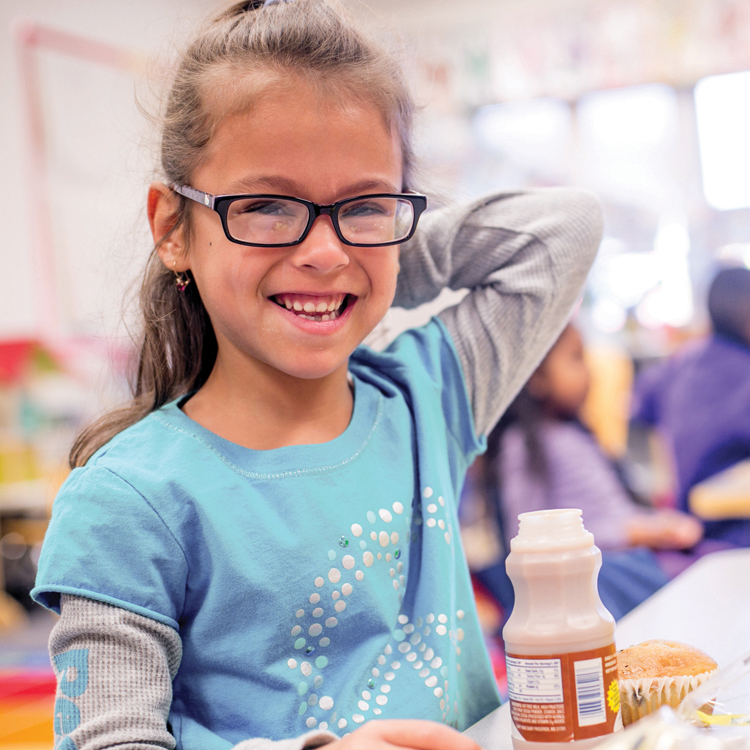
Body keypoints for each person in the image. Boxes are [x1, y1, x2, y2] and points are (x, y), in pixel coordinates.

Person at [29, 2, 603, 749]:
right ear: (173, 228)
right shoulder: (130, 500)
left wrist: (379, 258)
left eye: (364, 204)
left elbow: (564, 229)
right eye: (267, 205)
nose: (323, 251)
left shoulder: (426, 393)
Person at [466, 323, 703, 620]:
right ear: (536, 376)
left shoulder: (570, 435)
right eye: (576, 359)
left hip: (625, 558)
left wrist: (652, 524)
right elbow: (528, 538)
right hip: (602, 573)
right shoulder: (524, 447)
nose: (589, 372)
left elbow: (609, 509)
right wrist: (636, 532)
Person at [631, 266, 750, 551]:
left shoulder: (683, 360)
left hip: (686, 521)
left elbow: (638, 411)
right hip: (732, 528)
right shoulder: (743, 369)